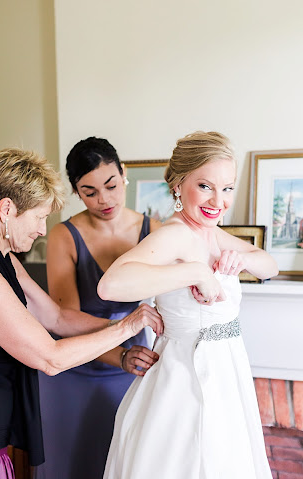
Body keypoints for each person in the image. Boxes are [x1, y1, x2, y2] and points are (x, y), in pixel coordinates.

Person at [98, 131, 278, 479]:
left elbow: (268, 265)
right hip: (187, 379)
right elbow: (111, 285)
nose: (219, 200)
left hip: (226, 375)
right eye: (206, 186)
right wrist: (194, 272)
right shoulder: (176, 234)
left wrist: (240, 260)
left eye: (227, 188)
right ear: (179, 185)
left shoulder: (210, 233)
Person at [0, 147, 164, 479]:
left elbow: (57, 318)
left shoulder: (4, 257)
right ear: (7, 209)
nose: (41, 229)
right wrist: (126, 328)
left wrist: (125, 341)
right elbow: (50, 357)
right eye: (39, 216)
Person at [35, 137, 162, 479]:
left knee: (126, 461)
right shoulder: (64, 235)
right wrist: (119, 352)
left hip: (134, 364)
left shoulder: (155, 231)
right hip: (75, 364)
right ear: (76, 192)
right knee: (72, 464)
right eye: (89, 191)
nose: (104, 199)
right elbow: (64, 317)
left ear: (124, 174)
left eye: (111, 185)